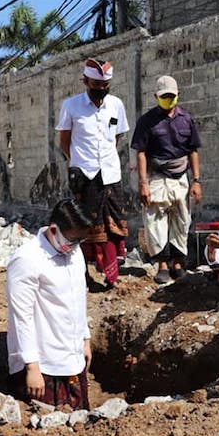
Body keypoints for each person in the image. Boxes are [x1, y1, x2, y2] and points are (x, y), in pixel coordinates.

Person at [6, 199, 93, 410]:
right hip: (44, 363)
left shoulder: (73, 252)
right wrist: (32, 367)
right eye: (72, 241)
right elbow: (22, 316)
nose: (74, 247)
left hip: (71, 353)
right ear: (54, 230)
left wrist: (85, 338)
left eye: (79, 242)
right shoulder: (27, 259)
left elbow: (77, 298)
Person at [56, 58, 130, 289]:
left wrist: (105, 159)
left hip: (110, 176)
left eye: (104, 85)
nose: (100, 89)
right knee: (84, 228)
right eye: (95, 84)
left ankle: (111, 277)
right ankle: (83, 275)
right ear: (85, 81)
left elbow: (116, 137)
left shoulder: (116, 105)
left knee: (111, 227)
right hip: (84, 178)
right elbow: (64, 143)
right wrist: (78, 162)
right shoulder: (70, 106)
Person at [131, 75, 202, 284]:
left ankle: (178, 263)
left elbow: (193, 151)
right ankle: (162, 265)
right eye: (164, 96)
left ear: (178, 95)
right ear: (156, 97)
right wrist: (143, 183)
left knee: (182, 219)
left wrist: (196, 181)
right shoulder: (146, 121)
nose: (168, 99)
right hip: (156, 176)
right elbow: (141, 153)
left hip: (181, 177)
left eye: (171, 96)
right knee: (156, 221)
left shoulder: (186, 119)